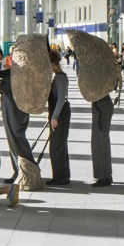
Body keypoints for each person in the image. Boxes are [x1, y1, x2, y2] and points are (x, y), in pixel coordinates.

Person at [46, 51, 71, 186]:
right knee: (60, 144)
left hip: (60, 113)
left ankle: (60, 177)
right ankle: (63, 175)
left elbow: (61, 99)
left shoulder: (60, 78)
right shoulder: (58, 77)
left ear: (54, 64)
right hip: (59, 112)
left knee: (56, 146)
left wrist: (54, 117)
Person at [90, 93, 115, 187]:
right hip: (100, 104)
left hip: (101, 106)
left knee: (101, 141)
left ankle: (104, 177)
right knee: (100, 141)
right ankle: (105, 175)